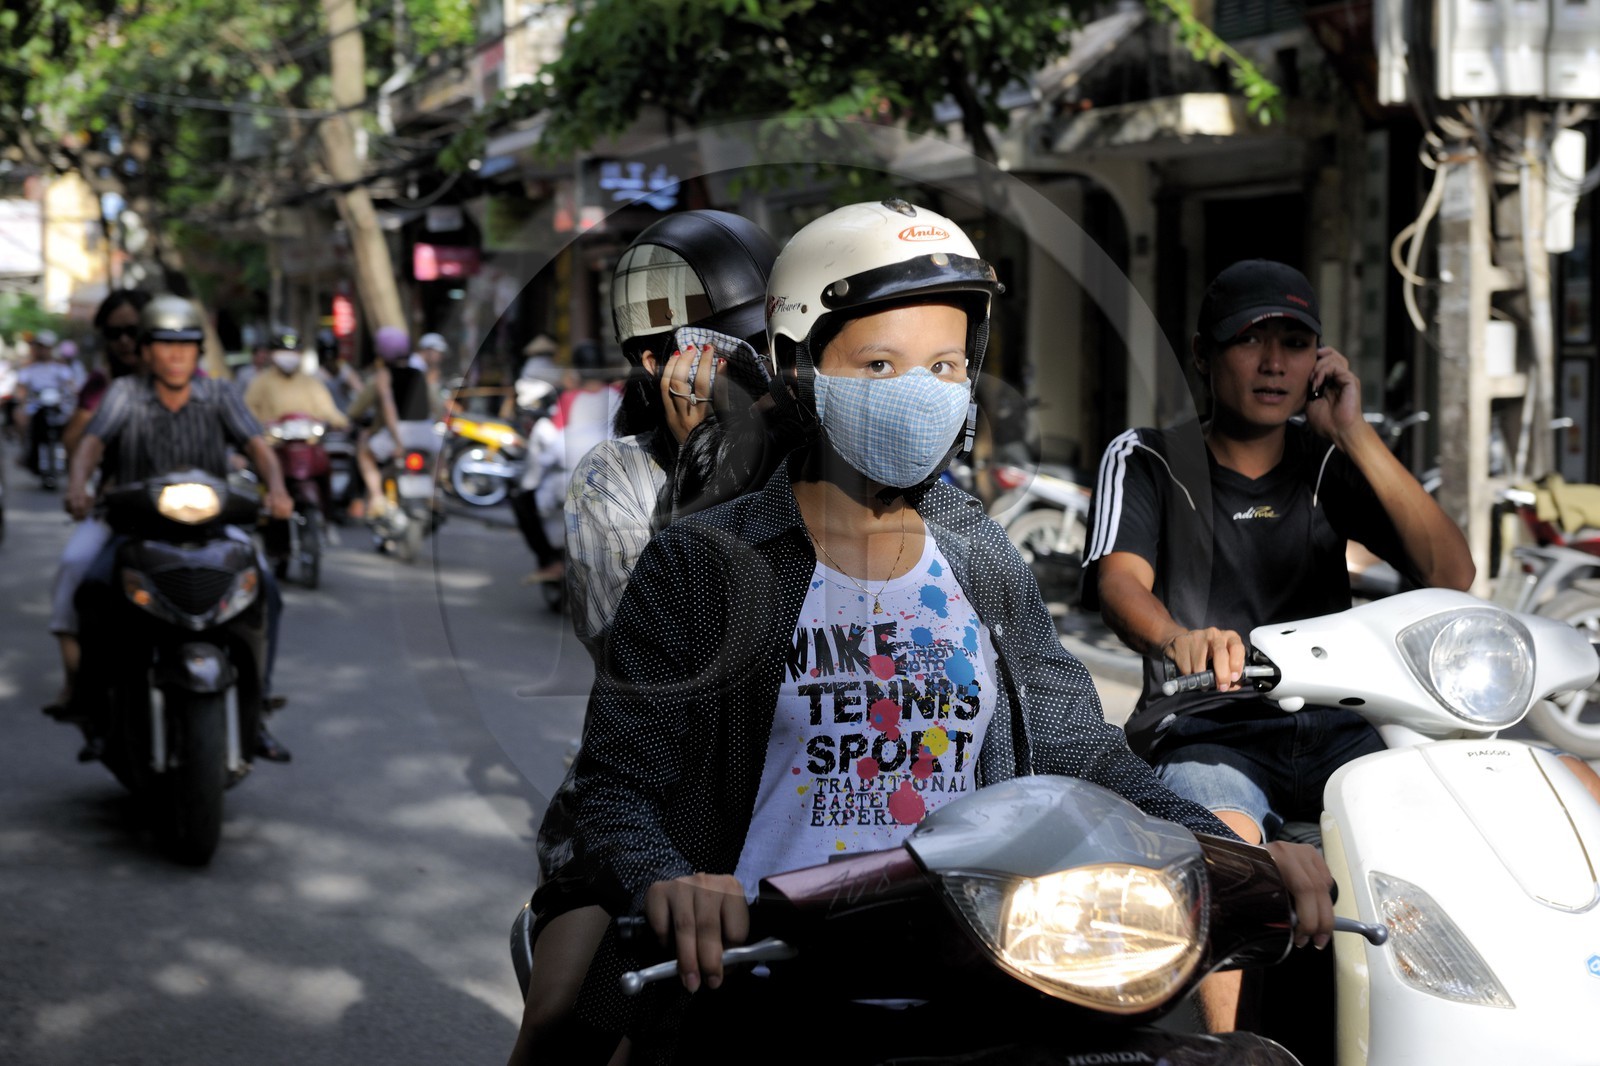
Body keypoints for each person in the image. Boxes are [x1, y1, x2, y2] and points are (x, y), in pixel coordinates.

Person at [512, 202, 1336, 1063]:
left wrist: (1228, 842)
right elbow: (617, 786)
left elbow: (1080, 752)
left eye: (945, 366)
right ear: (800, 365)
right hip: (761, 978)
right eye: (880, 364)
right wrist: (671, 885)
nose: (920, 392)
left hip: (967, 969)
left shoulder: (976, 547)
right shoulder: (701, 561)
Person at [1081, 258, 1478, 1032]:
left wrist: (1355, 433)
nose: (1274, 363)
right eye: (1249, 341)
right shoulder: (1149, 456)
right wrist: (1178, 636)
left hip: (1338, 726)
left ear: (1320, 362)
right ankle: (1231, 1048)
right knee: (1224, 842)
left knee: (1429, 825)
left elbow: (1451, 571)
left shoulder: (1329, 460)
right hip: (1209, 728)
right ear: (1204, 355)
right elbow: (1120, 585)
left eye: (1295, 343)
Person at [60, 294, 296, 763]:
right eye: (165, 346)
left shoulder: (221, 394)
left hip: (212, 527)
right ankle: (94, 704)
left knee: (267, 589)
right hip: (131, 526)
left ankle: (259, 709)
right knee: (85, 579)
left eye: (186, 346)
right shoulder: (125, 393)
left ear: (198, 352)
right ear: (146, 351)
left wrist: (278, 488)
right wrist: (78, 484)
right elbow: (91, 442)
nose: (175, 356)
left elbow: (257, 445)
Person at [44, 288, 153, 715]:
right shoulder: (104, 388)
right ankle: (77, 681)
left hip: (188, 508)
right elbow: (80, 445)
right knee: (75, 566)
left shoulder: (185, 379)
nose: (125, 341)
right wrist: (79, 485)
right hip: (120, 506)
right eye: (115, 333)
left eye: (134, 331)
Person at [516, 340, 622, 585]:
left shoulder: (570, 398)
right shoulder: (617, 396)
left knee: (522, 500)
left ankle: (549, 562)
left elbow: (552, 442)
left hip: (571, 481)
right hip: (613, 482)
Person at [353, 325, 447, 519]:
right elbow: (438, 407)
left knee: (364, 450)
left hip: (399, 434)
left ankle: (377, 496)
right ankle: (434, 491)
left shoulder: (383, 375)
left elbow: (388, 408)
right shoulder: (420, 374)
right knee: (440, 455)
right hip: (425, 433)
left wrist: (397, 441)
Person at [243, 327, 350, 431]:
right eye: (283, 352)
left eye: (293, 352)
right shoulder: (260, 383)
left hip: (309, 443)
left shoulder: (311, 383)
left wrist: (342, 423)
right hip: (273, 444)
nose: (288, 356)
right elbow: (249, 414)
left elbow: (328, 411)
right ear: (272, 354)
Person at [13, 328, 78, 475]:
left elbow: (71, 386)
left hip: (58, 406)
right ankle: (26, 450)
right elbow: (21, 388)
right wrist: (22, 400)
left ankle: (72, 455)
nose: (42, 350)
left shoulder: (60, 369)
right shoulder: (29, 369)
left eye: (45, 347)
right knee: (20, 417)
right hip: (35, 406)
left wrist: (71, 395)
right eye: (39, 347)